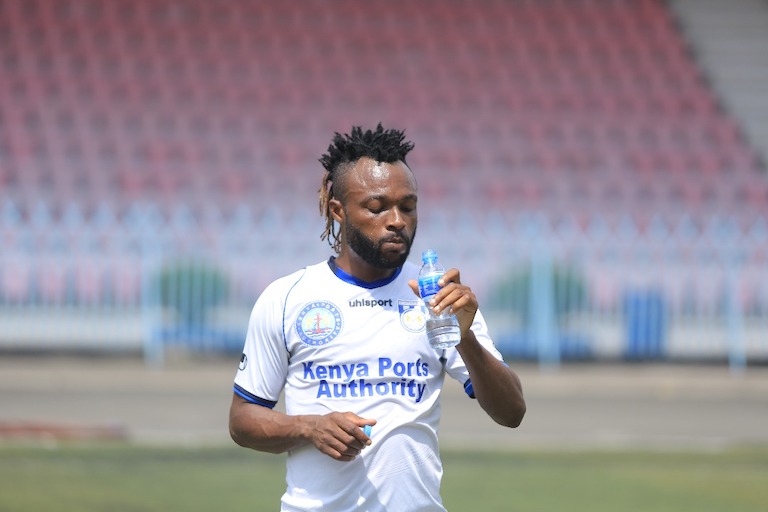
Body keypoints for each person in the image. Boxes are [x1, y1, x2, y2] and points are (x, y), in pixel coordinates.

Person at [229, 124, 526, 511]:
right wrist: (309, 427)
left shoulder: (439, 297)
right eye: (377, 207)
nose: (397, 220)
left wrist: (464, 338)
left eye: (408, 205)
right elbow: (242, 420)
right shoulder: (287, 297)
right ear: (338, 211)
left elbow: (512, 412)